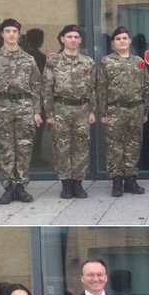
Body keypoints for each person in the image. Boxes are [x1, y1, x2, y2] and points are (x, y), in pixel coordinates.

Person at [0, 18, 43, 205]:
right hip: (3, 107)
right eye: (7, 31)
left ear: (19, 35)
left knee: (24, 149)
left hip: (24, 107)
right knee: (5, 149)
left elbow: (36, 86)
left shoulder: (29, 59)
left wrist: (36, 111)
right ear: (2, 34)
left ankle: (21, 186)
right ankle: (8, 187)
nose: (11, 34)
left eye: (14, 31)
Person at [43, 24, 96, 200]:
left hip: (82, 109)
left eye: (76, 37)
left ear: (80, 40)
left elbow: (93, 88)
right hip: (61, 109)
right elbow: (47, 89)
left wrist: (92, 110)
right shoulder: (54, 62)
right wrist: (49, 114)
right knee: (62, 148)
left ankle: (78, 183)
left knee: (81, 147)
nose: (73, 40)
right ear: (62, 39)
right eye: (69, 36)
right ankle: (65, 184)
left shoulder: (88, 62)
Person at [97, 26, 149, 197]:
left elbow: (146, 87)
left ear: (130, 41)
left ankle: (131, 181)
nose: (122, 41)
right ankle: (116, 182)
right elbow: (101, 88)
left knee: (133, 146)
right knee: (115, 147)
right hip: (115, 109)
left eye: (124, 38)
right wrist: (103, 112)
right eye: (118, 38)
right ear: (113, 43)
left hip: (136, 109)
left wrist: (145, 110)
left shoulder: (139, 62)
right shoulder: (106, 62)